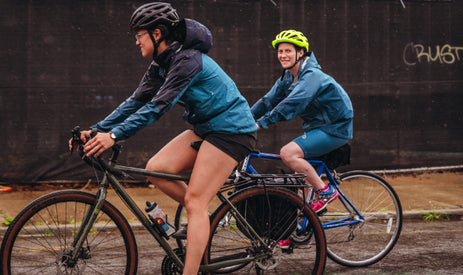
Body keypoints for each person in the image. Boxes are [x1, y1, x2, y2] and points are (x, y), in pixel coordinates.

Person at [69, 2, 257, 274]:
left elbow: (158, 106)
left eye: (139, 35)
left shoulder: (187, 60)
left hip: (232, 131)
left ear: (157, 34)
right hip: (207, 128)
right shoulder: (161, 63)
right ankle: (201, 218)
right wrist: (96, 129)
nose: (136, 42)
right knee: (156, 169)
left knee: (195, 200)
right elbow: (134, 102)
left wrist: (114, 135)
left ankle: (191, 262)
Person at [251, 30, 353, 248]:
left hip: (335, 128)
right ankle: (298, 232)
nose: (283, 55)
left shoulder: (311, 76)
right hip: (317, 128)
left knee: (288, 153)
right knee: (299, 184)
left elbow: (294, 103)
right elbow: (268, 100)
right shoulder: (289, 76)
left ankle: (326, 192)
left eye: (288, 50)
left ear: (300, 52)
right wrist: (243, 120)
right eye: (280, 51)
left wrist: (262, 123)